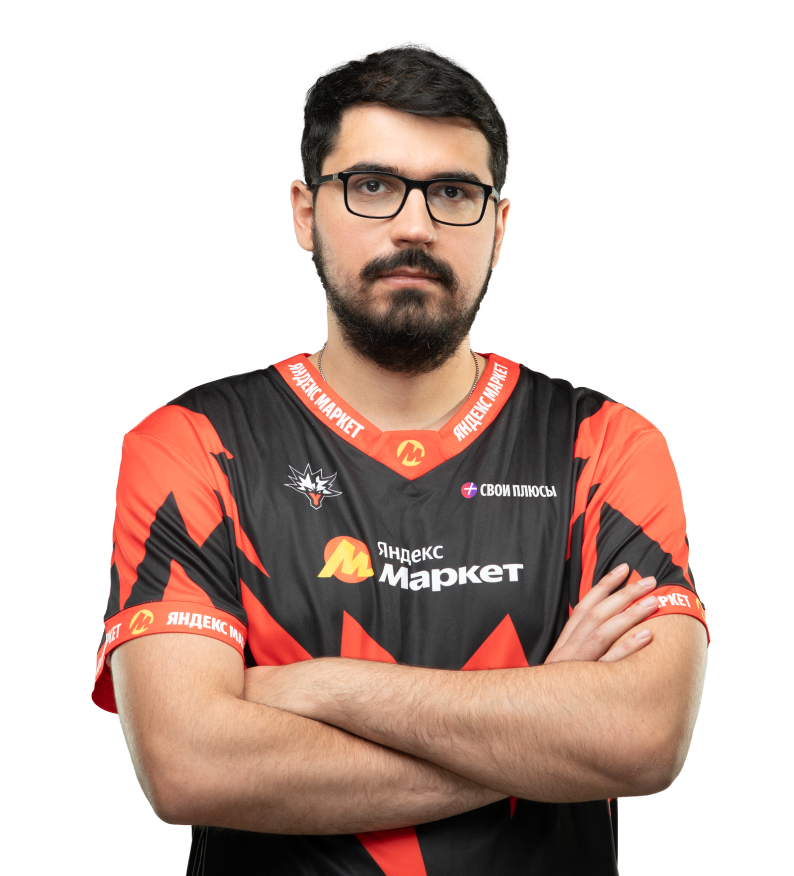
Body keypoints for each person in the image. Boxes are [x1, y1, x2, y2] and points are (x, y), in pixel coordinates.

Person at [93, 41, 709, 875]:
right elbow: (189, 767)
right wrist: (538, 726)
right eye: (373, 185)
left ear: (499, 226)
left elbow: (641, 740)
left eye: (454, 193)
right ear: (305, 211)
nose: (415, 226)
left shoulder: (607, 446)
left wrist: (322, 687)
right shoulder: (192, 444)